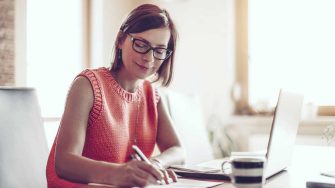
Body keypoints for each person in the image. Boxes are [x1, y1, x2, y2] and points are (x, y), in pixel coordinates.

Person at [46, 4, 185, 187]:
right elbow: (64, 163)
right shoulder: (88, 85)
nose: (149, 58)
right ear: (120, 40)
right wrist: (121, 173)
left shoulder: (152, 95)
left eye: (159, 50)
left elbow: (178, 150)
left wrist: (155, 164)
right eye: (141, 44)